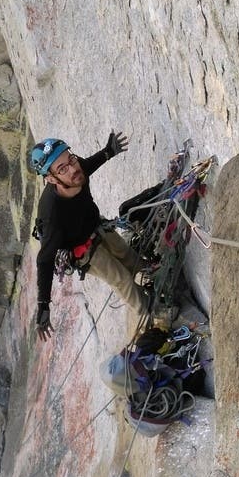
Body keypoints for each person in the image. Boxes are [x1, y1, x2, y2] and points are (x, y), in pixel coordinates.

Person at [30, 133, 148, 341]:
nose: (73, 169)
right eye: (62, 169)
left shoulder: (76, 169)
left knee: (128, 255)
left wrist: (108, 152)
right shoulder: (52, 214)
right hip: (83, 251)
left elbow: (88, 165)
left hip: (96, 225)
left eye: (71, 159)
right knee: (122, 280)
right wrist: (43, 305)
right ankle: (149, 313)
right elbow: (45, 259)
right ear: (50, 179)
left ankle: (150, 279)